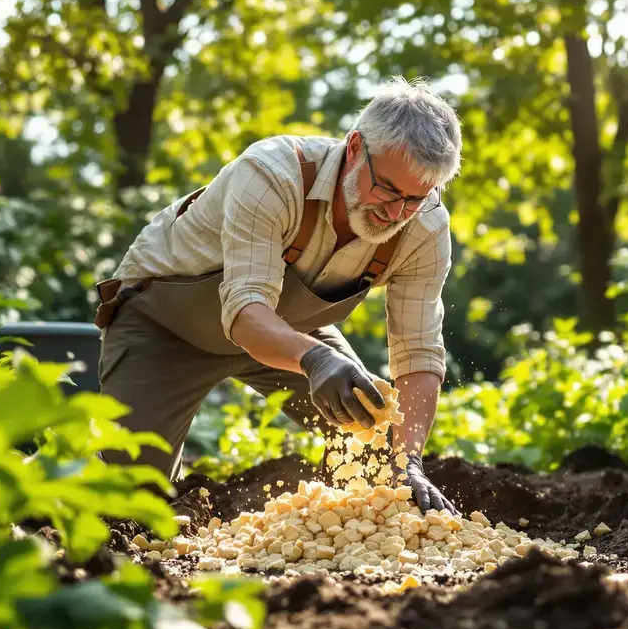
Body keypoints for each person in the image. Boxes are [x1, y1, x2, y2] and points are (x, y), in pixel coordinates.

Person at [93, 76, 462, 514]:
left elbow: (418, 351)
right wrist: (318, 359)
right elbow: (247, 307)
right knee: (128, 503)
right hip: (166, 328)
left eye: (415, 199)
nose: (395, 212)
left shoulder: (425, 227)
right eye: (387, 188)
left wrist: (409, 461)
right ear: (354, 148)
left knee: (377, 451)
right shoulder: (272, 174)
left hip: (286, 333)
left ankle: (341, 539)